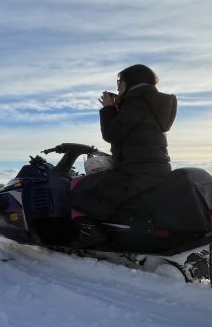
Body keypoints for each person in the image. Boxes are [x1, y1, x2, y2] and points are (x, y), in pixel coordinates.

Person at [69, 64, 177, 220]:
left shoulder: (136, 102)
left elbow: (112, 134)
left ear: (130, 82)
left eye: (120, 82)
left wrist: (108, 108)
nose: (118, 86)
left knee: (80, 189)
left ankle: (87, 234)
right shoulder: (152, 104)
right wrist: (119, 107)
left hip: (136, 174)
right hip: (158, 171)